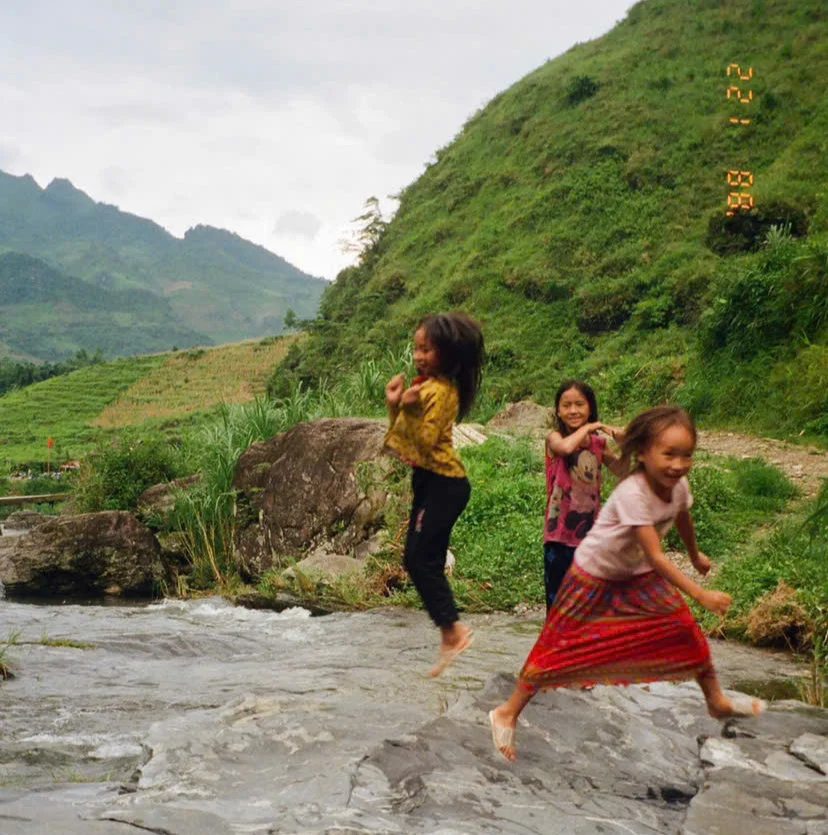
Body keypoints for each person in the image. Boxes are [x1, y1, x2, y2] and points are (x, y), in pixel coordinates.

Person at [489, 405, 765, 761]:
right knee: (558, 647)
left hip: (636, 576)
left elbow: (682, 517)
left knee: (683, 628)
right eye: (669, 454)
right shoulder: (633, 493)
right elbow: (656, 556)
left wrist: (696, 556)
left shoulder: (677, 485)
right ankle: (506, 712)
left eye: (687, 455)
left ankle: (715, 700)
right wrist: (699, 593)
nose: (678, 464)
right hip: (594, 575)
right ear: (644, 453)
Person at [384, 312, 485, 677]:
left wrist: (408, 404)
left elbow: (424, 441)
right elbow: (402, 430)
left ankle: (453, 631)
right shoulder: (425, 388)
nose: (418, 356)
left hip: (445, 483)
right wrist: (396, 403)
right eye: (416, 348)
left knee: (419, 559)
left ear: (447, 353)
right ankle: (450, 632)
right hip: (429, 482)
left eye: (427, 349)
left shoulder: (442, 392)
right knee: (417, 559)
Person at [543, 380, 626, 611]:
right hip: (558, 536)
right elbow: (566, 449)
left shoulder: (599, 445)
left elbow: (623, 470)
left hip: (590, 538)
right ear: (558, 411)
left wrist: (627, 447)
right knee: (557, 605)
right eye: (566, 405)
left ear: (590, 408)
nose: (573, 410)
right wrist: (589, 428)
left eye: (580, 404)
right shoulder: (554, 438)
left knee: (587, 606)